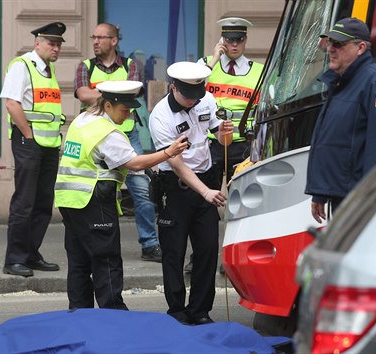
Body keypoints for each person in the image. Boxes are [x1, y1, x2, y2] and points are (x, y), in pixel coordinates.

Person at [55, 80, 189, 309]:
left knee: (79, 262)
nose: (128, 116)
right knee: (106, 260)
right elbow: (135, 163)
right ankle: (114, 315)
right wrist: (168, 152)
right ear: (107, 106)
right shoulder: (107, 132)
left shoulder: (82, 120)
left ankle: (79, 316)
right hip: (93, 200)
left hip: (69, 200)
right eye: (124, 110)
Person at [149, 62, 233, 325]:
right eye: (187, 96)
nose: (192, 101)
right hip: (175, 186)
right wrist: (206, 192)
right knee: (173, 251)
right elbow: (177, 164)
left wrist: (225, 134)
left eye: (197, 95)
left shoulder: (205, 99)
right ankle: (176, 311)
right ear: (173, 87)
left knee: (207, 249)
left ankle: (200, 310)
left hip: (206, 178)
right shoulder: (160, 116)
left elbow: (219, 137)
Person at [74, 23, 161, 262]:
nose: (95, 41)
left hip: (127, 135)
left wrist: (101, 94)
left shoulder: (131, 66)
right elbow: (82, 94)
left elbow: (132, 94)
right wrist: (115, 94)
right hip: (95, 136)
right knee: (95, 190)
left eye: (101, 38)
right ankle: (94, 243)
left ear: (114, 41)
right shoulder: (85, 66)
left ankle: (150, 244)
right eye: (94, 37)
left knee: (141, 191)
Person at [188, 17, 263, 274]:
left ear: (245, 40)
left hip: (241, 144)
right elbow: (192, 89)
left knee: (239, 204)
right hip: (211, 144)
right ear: (222, 40)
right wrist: (212, 60)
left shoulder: (258, 70)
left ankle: (233, 258)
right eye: (229, 39)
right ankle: (200, 256)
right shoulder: (206, 67)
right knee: (204, 204)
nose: (234, 45)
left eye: (238, 39)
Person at [306, 17, 376, 222]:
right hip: (343, 196)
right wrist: (321, 192)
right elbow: (334, 142)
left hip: (361, 203)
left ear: (360, 48)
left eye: (338, 44)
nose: (331, 48)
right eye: (330, 42)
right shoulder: (341, 82)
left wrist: (368, 201)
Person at [0, 22, 67, 277]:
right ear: (37, 42)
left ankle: (30, 253)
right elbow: (12, 104)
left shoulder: (47, 70)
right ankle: (14, 259)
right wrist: (28, 136)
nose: (56, 48)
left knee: (43, 203)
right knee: (25, 203)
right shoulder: (22, 65)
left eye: (59, 44)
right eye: (51, 43)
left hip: (48, 145)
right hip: (29, 142)